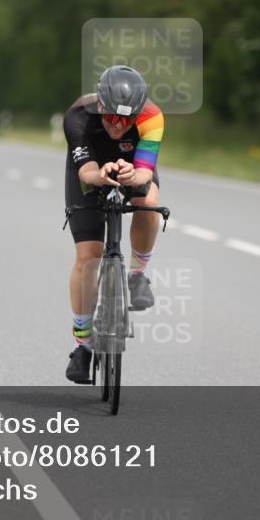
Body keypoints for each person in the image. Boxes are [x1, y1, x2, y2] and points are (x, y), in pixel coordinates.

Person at [62, 65, 165, 383]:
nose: (118, 126)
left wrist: (133, 175)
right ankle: (83, 343)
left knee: (148, 202)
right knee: (88, 256)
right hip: (90, 170)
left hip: (131, 166)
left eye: (126, 120)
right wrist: (102, 174)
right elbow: (86, 173)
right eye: (111, 118)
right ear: (100, 106)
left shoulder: (152, 117)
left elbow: (146, 173)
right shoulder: (79, 116)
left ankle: (136, 276)